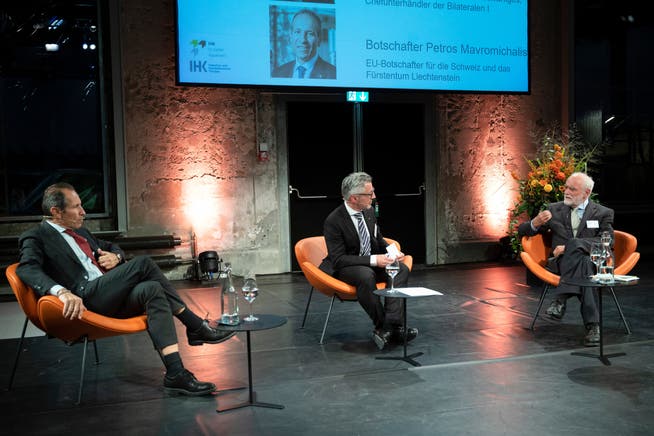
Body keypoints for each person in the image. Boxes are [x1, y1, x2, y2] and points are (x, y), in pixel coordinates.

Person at [16, 182, 235, 396]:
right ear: (56, 212)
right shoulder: (36, 237)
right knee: (143, 263)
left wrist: (117, 256)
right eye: (76, 207)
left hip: (108, 295)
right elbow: (27, 269)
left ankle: (176, 373)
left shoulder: (80, 231)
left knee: (151, 289)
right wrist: (60, 292)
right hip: (85, 299)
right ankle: (194, 324)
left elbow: (111, 246)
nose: (84, 212)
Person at [320, 172, 417, 350]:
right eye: (369, 193)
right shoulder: (334, 221)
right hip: (347, 267)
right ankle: (386, 327)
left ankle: (391, 326)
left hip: (371, 262)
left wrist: (393, 252)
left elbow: (378, 239)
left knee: (400, 268)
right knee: (366, 274)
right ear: (354, 198)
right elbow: (339, 260)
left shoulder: (369, 211)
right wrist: (374, 260)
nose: (374, 197)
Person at [518, 172, 614, 346]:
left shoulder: (603, 213)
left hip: (591, 261)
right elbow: (522, 231)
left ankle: (560, 299)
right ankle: (593, 326)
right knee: (584, 267)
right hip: (561, 263)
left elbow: (607, 241)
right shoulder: (554, 209)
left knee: (584, 261)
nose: (567, 192)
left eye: (573, 189)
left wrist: (571, 246)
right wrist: (536, 222)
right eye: (566, 187)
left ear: (586, 193)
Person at [271, 9, 336, 79]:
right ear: (290, 37)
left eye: (310, 33)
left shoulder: (334, 74)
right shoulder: (277, 73)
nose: (303, 40)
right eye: (297, 32)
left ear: (319, 39)